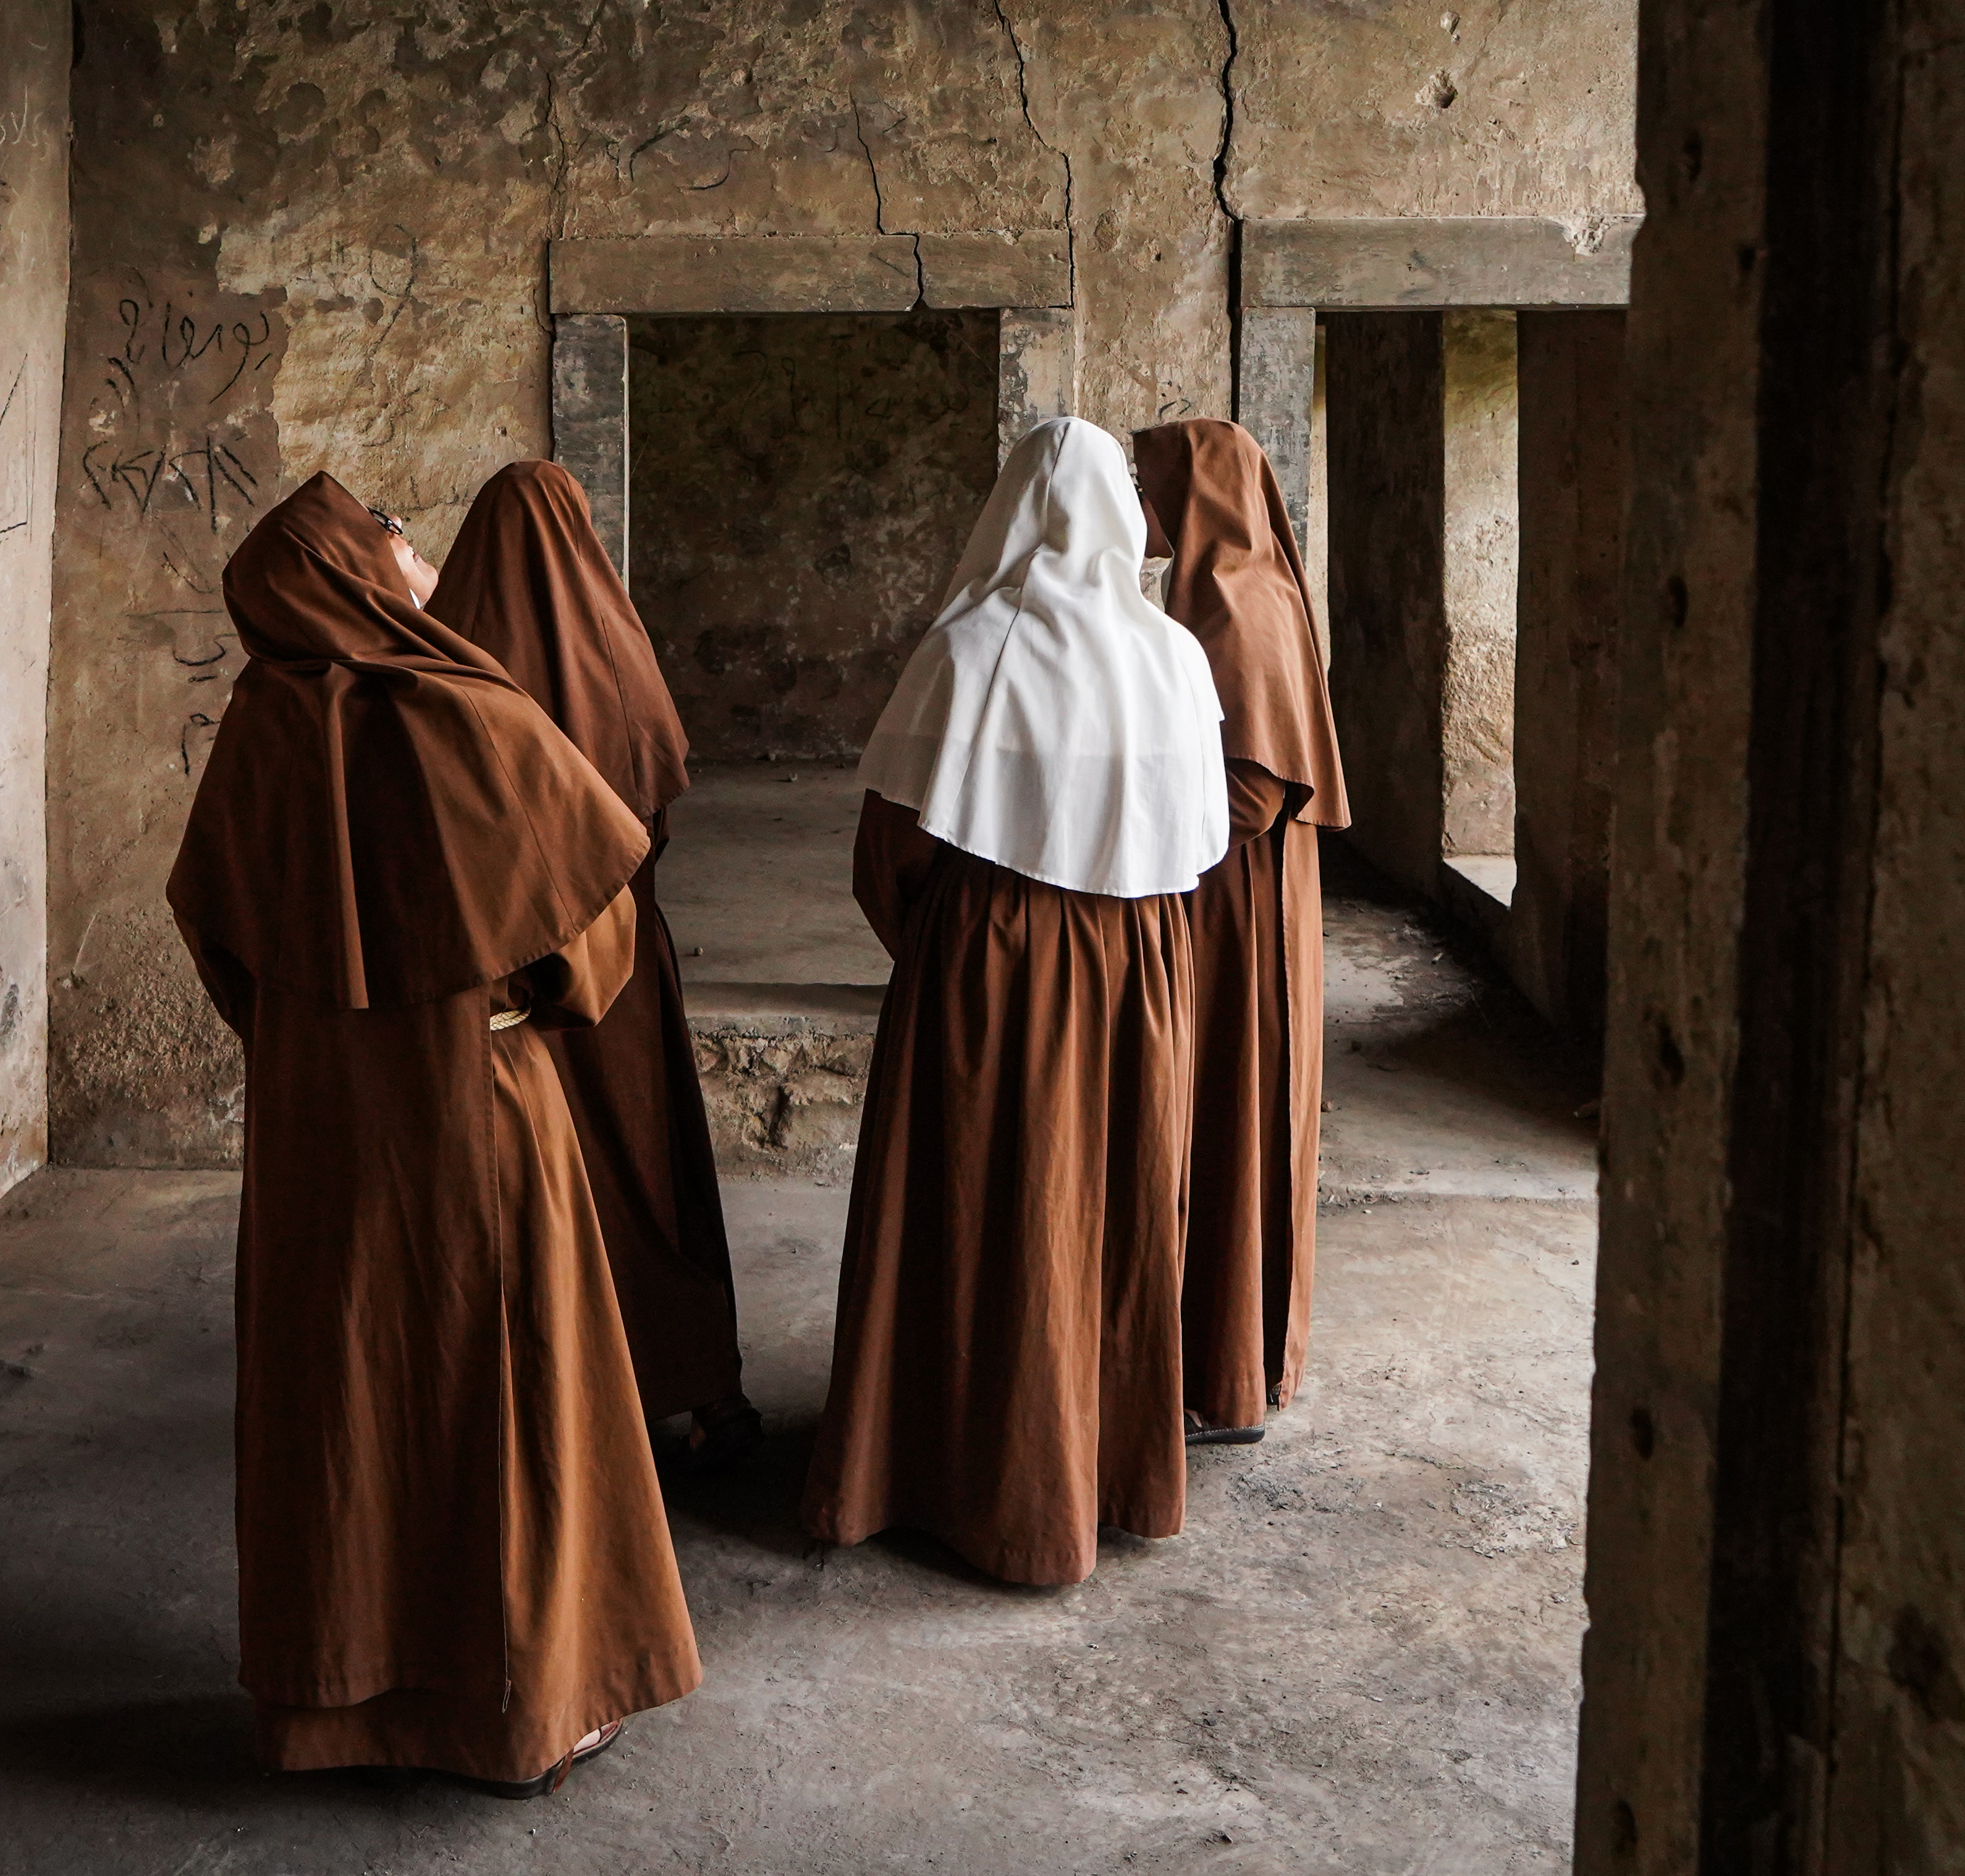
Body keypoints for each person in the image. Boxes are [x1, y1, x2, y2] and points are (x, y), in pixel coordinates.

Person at [167, 471, 699, 1795]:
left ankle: (327, 1705)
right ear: (346, 570)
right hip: (478, 1116)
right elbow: (587, 948)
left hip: (319, 1134)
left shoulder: (256, 732)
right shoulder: (465, 714)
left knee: (343, 1397)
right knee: (494, 1395)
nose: (411, 549)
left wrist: (327, 1044)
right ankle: (515, 1711)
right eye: (385, 534)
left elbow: (220, 942)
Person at [800, 416, 1228, 1586]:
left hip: (994, 961)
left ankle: (958, 1471)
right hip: (1138, 965)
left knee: (983, 1202)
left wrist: (944, 952)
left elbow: (886, 853)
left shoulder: (971, 649)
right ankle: (1102, 1469)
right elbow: (1197, 849)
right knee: (1107, 1201)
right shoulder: (1173, 656)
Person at [433, 460, 758, 1460]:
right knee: (647, 1172)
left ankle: (538, 1405)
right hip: (615, 978)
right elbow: (652, 803)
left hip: (502, 982)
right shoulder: (615, 642)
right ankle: (696, 1383)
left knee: (525, 1192)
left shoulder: (446, 659)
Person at [1131, 418, 1352, 1445]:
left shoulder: (1237, 601)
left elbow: (1253, 788)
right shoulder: (1224, 586)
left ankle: (1230, 1362)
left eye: (1153, 480)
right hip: (1234, 890)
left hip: (1235, 899)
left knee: (1233, 1106)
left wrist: (1137, 815)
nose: (1139, 499)